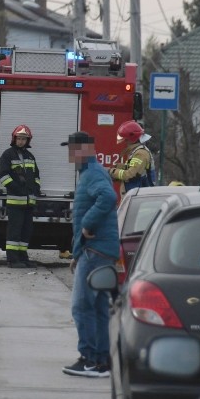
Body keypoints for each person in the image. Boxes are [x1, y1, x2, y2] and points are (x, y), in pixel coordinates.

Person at [61, 131, 118, 378]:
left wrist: (87, 225)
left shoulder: (93, 174)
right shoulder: (91, 172)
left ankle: (89, 360)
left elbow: (108, 197)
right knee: (98, 307)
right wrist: (77, 252)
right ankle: (102, 360)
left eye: (73, 150)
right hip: (96, 250)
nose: (70, 155)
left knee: (82, 306)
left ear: (85, 150)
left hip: (96, 251)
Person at [0, 124, 41, 269]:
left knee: (26, 231)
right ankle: (12, 259)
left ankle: (23, 257)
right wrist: (16, 188)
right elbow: (2, 176)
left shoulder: (30, 156)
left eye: (24, 139)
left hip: (29, 202)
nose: (21, 141)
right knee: (14, 231)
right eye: (19, 138)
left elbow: (36, 175)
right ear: (14, 139)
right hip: (15, 202)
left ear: (28, 141)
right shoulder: (8, 155)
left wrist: (36, 187)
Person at [108, 120, 155, 193]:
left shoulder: (140, 154)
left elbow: (130, 174)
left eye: (126, 140)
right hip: (136, 195)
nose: (125, 143)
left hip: (139, 197)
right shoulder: (137, 151)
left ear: (132, 139)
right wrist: (119, 167)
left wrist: (111, 171)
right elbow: (133, 168)